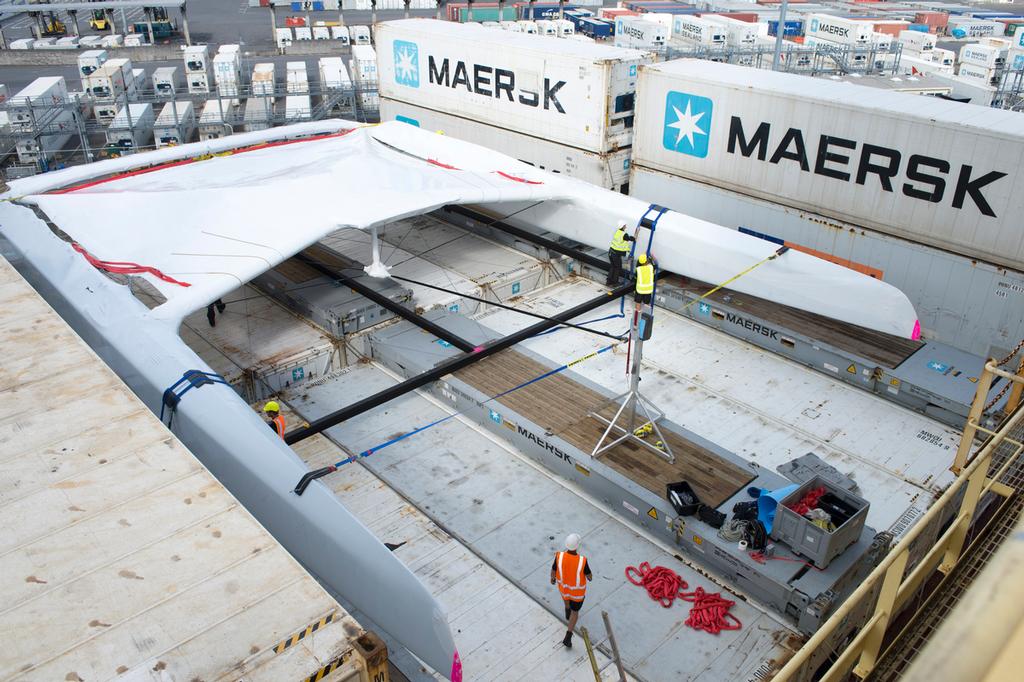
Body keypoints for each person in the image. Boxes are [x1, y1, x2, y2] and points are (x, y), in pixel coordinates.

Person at [550, 533, 592, 648]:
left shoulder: (560, 556)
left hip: (564, 589)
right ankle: (568, 636)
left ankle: (566, 609)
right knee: (575, 613)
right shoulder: (582, 561)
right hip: (577, 594)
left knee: (566, 598)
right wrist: (588, 576)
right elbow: (589, 576)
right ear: (577, 546)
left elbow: (553, 570)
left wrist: (552, 579)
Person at [607, 220, 635, 286]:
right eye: (625, 225)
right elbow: (629, 238)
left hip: (611, 252)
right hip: (616, 254)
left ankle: (608, 281)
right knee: (617, 268)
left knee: (613, 266)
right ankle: (615, 282)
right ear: (623, 226)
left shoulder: (617, 232)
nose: (626, 226)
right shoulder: (624, 234)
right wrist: (634, 238)